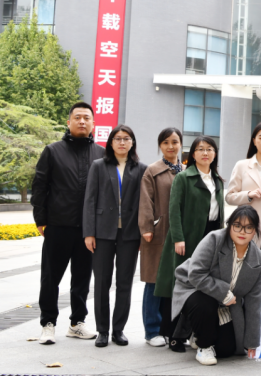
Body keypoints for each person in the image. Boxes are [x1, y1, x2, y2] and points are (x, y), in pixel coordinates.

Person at [32, 101, 104, 345]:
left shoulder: (102, 154)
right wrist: (41, 219)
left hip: (88, 230)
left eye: (86, 118)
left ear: (93, 123)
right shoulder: (53, 151)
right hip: (58, 226)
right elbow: (39, 186)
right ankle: (48, 323)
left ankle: (77, 323)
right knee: (50, 277)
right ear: (69, 122)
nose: (82, 121)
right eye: (77, 117)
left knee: (82, 279)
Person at [170, 205, 261, 366]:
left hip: (226, 304)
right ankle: (204, 346)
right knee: (205, 303)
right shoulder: (214, 239)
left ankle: (198, 332)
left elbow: (253, 302)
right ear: (229, 225)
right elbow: (195, 273)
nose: (242, 232)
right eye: (237, 225)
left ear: (255, 231)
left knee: (226, 350)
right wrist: (224, 293)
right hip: (194, 288)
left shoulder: (259, 260)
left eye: (249, 227)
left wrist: (252, 342)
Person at [154, 136, 225, 352]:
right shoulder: (183, 177)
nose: (205, 153)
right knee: (179, 285)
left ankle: (194, 332)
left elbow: (219, 213)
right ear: (193, 154)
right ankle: (172, 335)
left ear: (215, 154)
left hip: (210, 236)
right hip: (187, 236)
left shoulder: (218, 179)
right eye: (200, 149)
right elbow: (174, 209)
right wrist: (178, 238)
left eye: (210, 149)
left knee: (202, 285)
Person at [83, 124, 148, 347]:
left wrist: (142, 233)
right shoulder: (99, 166)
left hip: (129, 233)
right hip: (102, 232)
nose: (122, 142)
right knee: (101, 282)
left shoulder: (141, 168)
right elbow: (90, 200)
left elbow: (144, 204)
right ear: (111, 142)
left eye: (126, 138)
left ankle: (118, 330)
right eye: (118, 138)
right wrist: (89, 233)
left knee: (124, 283)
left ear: (132, 143)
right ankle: (102, 330)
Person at [138, 127, 184, 347]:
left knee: (176, 282)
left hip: (179, 234)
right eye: (166, 142)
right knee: (154, 282)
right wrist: (147, 227)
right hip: (157, 233)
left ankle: (169, 329)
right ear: (160, 146)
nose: (170, 146)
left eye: (174, 142)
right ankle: (152, 330)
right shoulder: (152, 171)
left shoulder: (186, 170)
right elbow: (145, 200)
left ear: (181, 144)